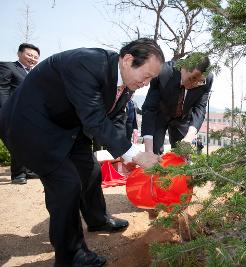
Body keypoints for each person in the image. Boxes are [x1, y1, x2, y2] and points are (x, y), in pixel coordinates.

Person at [0, 38, 165, 267]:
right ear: (128, 60)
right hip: (30, 125)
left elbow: (115, 119)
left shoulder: (126, 84)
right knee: (66, 184)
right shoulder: (86, 64)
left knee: (90, 170)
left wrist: (124, 153)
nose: (146, 83)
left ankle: (97, 220)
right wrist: (136, 155)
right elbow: (95, 119)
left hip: (68, 125)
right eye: (146, 76)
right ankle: (71, 255)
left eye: (151, 79)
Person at [141, 53, 213, 154]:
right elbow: (149, 108)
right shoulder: (162, 72)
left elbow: (200, 107)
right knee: (154, 151)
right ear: (183, 67)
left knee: (183, 154)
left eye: (199, 81)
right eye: (192, 78)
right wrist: (148, 150)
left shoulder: (207, 79)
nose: (195, 84)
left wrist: (189, 137)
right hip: (160, 114)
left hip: (183, 117)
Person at [0, 43, 40, 184]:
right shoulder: (8, 67)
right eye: (29, 55)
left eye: (35, 57)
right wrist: (5, 111)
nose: (32, 59)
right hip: (11, 113)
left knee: (29, 142)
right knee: (18, 142)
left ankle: (28, 171)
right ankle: (18, 174)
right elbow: (2, 89)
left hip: (28, 114)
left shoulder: (33, 73)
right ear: (19, 53)